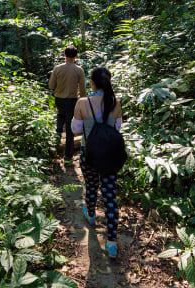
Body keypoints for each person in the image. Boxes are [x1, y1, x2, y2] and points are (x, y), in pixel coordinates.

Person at [71, 67, 123, 259]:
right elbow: (117, 128)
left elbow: (76, 130)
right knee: (110, 195)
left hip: (89, 154)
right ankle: (111, 242)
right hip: (110, 155)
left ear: (92, 82)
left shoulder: (82, 103)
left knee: (91, 186)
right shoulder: (115, 102)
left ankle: (91, 215)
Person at [48, 46, 87, 165]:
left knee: (60, 116)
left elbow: (51, 86)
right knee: (70, 127)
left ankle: (55, 141)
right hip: (72, 100)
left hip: (59, 99)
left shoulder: (57, 68)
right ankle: (68, 155)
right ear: (76, 56)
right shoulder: (79, 70)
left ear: (64, 55)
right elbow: (82, 89)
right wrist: (83, 102)